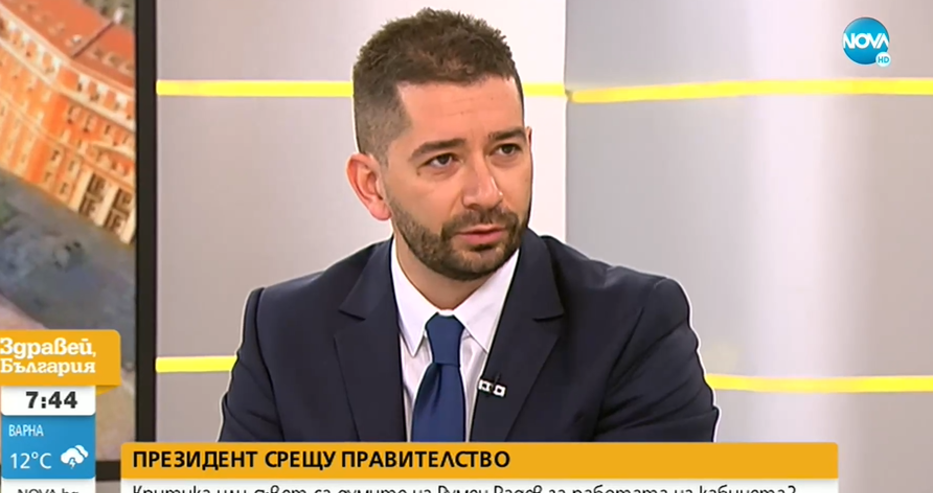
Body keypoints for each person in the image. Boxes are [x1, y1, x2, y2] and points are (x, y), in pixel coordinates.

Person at [219, 8, 719, 442]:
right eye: (443, 160)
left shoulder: (632, 328)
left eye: (506, 150)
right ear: (372, 185)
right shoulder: (285, 333)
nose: (487, 192)